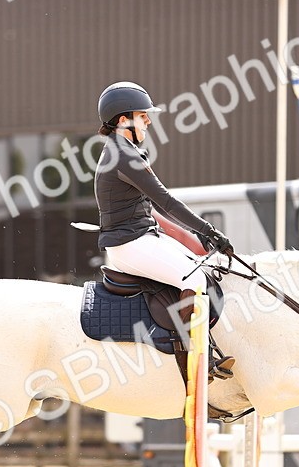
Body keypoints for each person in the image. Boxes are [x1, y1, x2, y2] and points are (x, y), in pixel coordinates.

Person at [94, 81, 235, 377]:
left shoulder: (122, 150)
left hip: (141, 237)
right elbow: (167, 201)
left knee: (203, 268)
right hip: (129, 244)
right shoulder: (124, 155)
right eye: (143, 116)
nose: (148, 120)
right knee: (194, 279)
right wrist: (210, 231)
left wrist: (198, 234)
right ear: (123, 120)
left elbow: (154, 208)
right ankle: (198, 359)